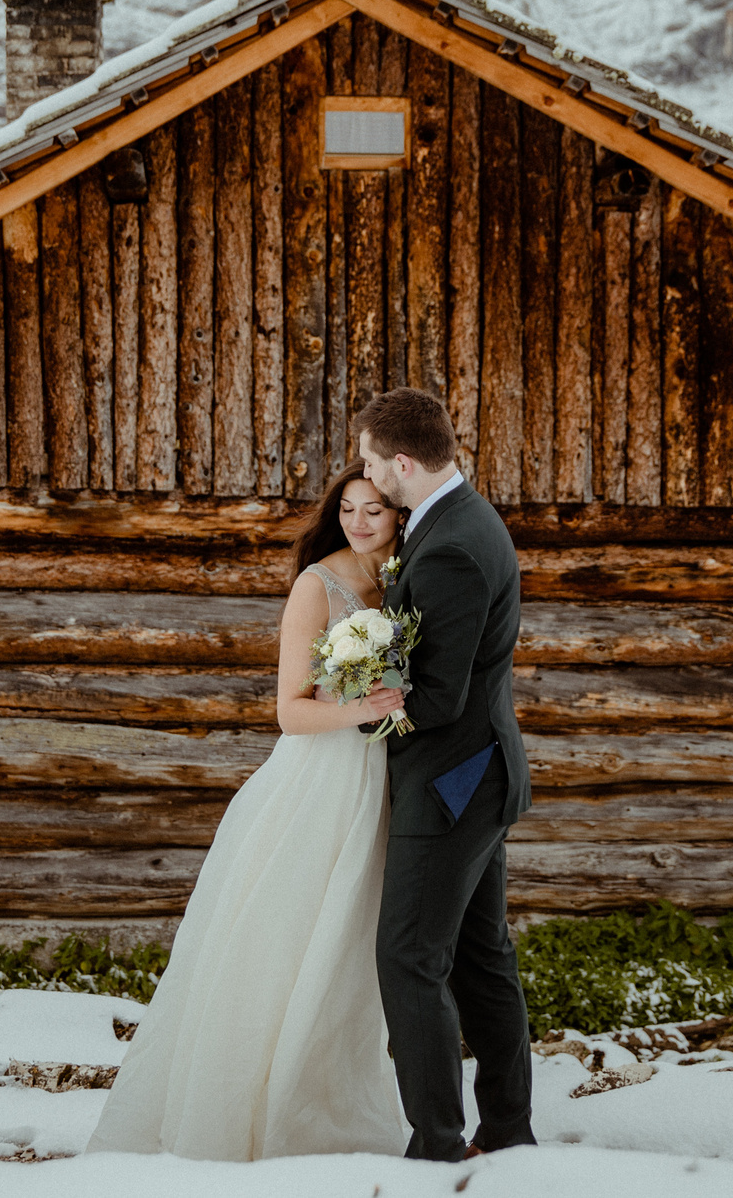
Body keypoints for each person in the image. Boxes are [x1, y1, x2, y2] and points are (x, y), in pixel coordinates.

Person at [84, 464, 412, 1159]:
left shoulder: (404, 580)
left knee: (351, 949)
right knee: (286, 942)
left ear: (397, 514)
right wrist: (363, 707)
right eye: (349, 509)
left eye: (374, 510)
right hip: (317, 785)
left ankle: (333, 1101)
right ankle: (253, 1114)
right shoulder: (315, 585)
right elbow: (289, 711)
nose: (359, 521)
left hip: (377, 781)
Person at [355, 386, 536, 1162]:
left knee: (408, 955)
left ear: (401, 462)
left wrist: (361, 706)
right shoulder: (461, 520)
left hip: (453, 783)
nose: (364, 476)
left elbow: (438, 695)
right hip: (478, 775)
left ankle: (436, 1143)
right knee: (479, 956)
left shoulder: (454, 544)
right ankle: (507, 1130)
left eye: (369, 462)